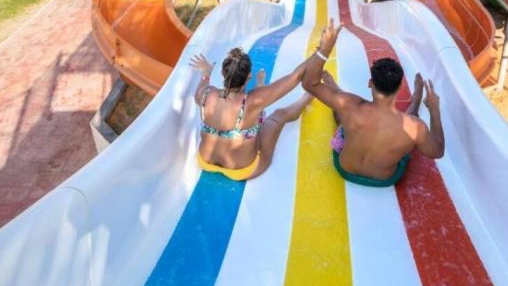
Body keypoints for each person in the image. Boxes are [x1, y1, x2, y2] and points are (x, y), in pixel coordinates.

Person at [301, 20, 445, 187]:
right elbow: (437, 151)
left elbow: (309, 83)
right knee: (409, 127)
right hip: (384, 179)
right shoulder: (415, 126)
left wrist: (325, 49)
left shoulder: (349, 105)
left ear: (370, 83)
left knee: (342, 115)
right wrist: (434, 111)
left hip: (345, 169)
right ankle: (416, 101)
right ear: (399, 88)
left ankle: (334, 88)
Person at [189, 48, 314, 181]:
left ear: (222, 73)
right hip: (242, 170)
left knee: (254, 109)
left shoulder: (205, 94)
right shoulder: (253, 101)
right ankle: (308, 96)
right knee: (279, 115)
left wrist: (206, 72)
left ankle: (260, 86)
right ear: (249, 76)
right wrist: (321, 51)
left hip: (205, 161)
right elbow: (295, 77)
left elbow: (203, 83)